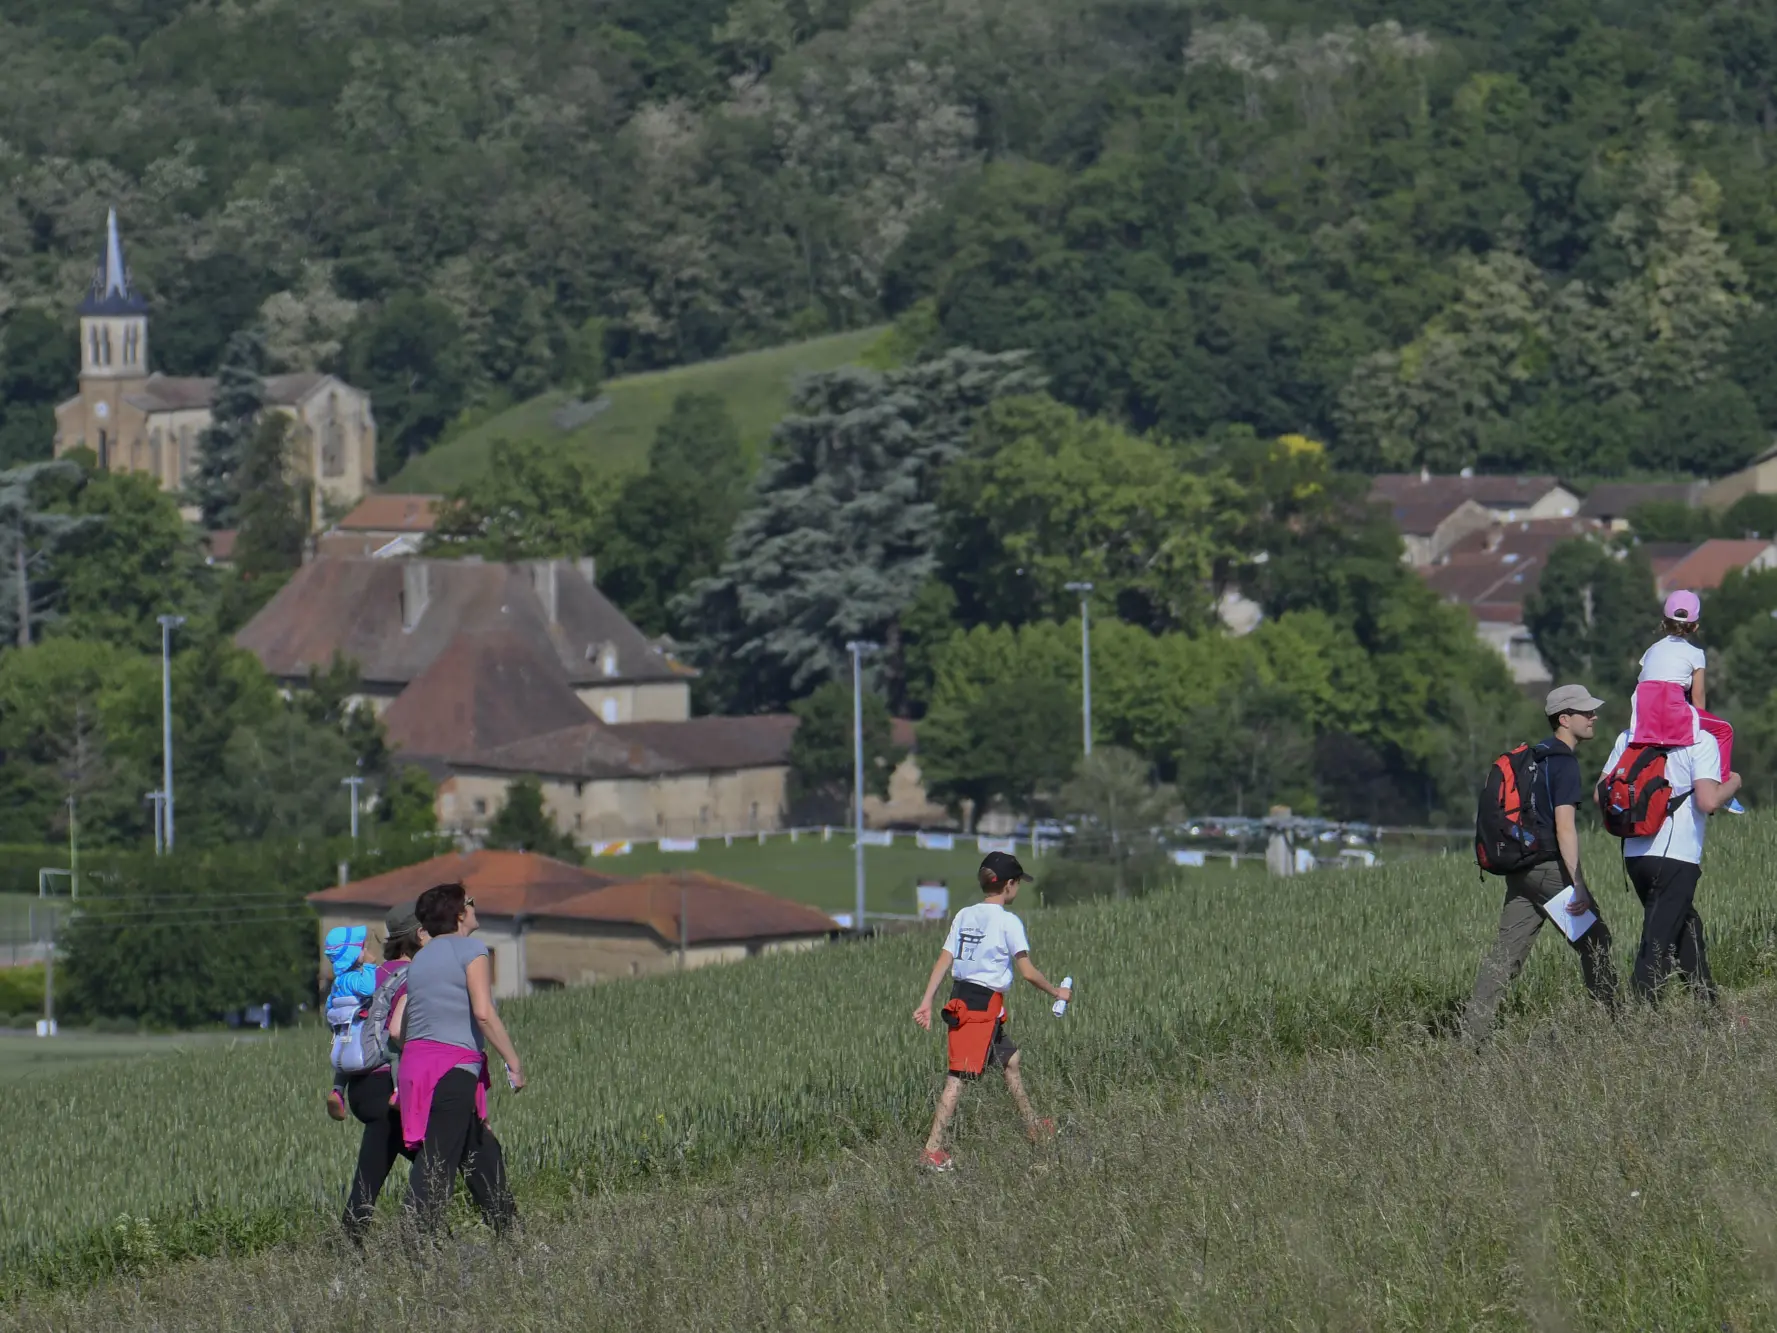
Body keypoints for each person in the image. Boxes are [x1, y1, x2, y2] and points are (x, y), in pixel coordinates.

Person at [1463, 684, 1619, 1042]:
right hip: (1550, 870)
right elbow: (1565, 827)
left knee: (1505, 956)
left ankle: (1470, 1038)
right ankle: (1617, 1026)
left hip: (1522, 870)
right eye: (1585, 712)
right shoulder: (1563, 763)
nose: (1594, 716)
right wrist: (1577, 882)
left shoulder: (1535, 758)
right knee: (1596, 940)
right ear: (1564, 719)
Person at [912, 851, 1070, 1171]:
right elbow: (1027, 971)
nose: (1018, 889)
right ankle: (931, 1151)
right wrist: (1057, 992)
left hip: (970, 1002)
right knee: (957, 1078)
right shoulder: (1008, 922)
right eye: (1018, 883)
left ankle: (1034, 1128)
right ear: (1009, 885)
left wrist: (927, 1000)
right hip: (979, 1008)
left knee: (1010, 1060)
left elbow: (945, 959)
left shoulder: (965, 914)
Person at [398, 883, 524, 1235]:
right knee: (438, 1160)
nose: (474, 906)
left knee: (481, 1149)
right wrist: (513, 1062)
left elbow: (401, 1029)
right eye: (470, 902)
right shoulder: (472, 950)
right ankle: (414, 1241)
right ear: (458, 914)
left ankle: (511, 1231)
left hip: (417, 1069)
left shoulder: (420, 960)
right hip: (451, 1069)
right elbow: (483, 1013)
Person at [1599, 715, 1743, 1005]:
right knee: (1657, 941)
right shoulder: (1701, 738)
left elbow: (1599, 793)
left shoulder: (1630, 736)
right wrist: (1735, 782)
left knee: (1687, 928)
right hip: (1676, 856)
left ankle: (1708, 1008)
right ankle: (1638, 1022)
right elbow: (1708, 801)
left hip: (1635, 855)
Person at [340, 902, 427, 1244]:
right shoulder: (411, 978)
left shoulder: (369, 976)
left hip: (360, 1084)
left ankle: (351, 1242)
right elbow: (401, 1034)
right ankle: (420, 1236)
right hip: (389, 1086)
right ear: (416, 937)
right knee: (438, 1156)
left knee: (373, 1168)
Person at [1630, 590, 1736, 783]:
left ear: (1663, 622)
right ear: (1695, 627)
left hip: (1645, 719)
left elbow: (1643, 685)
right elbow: (1698, 698)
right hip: (1674, 715)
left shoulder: (1650, 651)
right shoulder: (1695, 654)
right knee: (1724, 730)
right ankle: (1720, 783)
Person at [323, 924, 378, 1121]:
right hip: (364, 1042)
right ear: (352, 954)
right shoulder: (354, 979)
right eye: (361, 948)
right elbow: (368, 988)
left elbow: (329, 1009)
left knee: (342, 1067)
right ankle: (398, 1091)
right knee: (394, 1053)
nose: (366, 951)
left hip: (344, 1042)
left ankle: (337, 1091)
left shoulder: (337, 983)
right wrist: (371, 966)